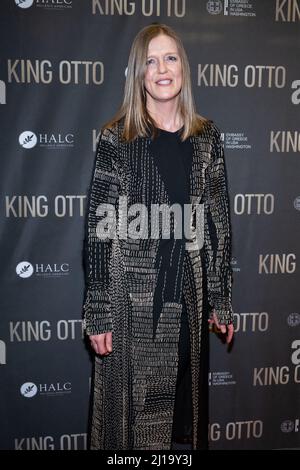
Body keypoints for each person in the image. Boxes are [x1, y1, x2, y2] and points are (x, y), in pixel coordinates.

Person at [82, 23, 234, 451]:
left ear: (182, 67)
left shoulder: (208, 138)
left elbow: (218, 224)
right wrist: (97, 310)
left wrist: (221, 298)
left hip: (186, 304)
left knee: (182, 430)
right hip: (131, 310)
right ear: (139, 74)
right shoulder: (118, 138)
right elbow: (98, 230)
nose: (161, 69)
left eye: (169, 58)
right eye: (150, 61)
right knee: (134, 431)